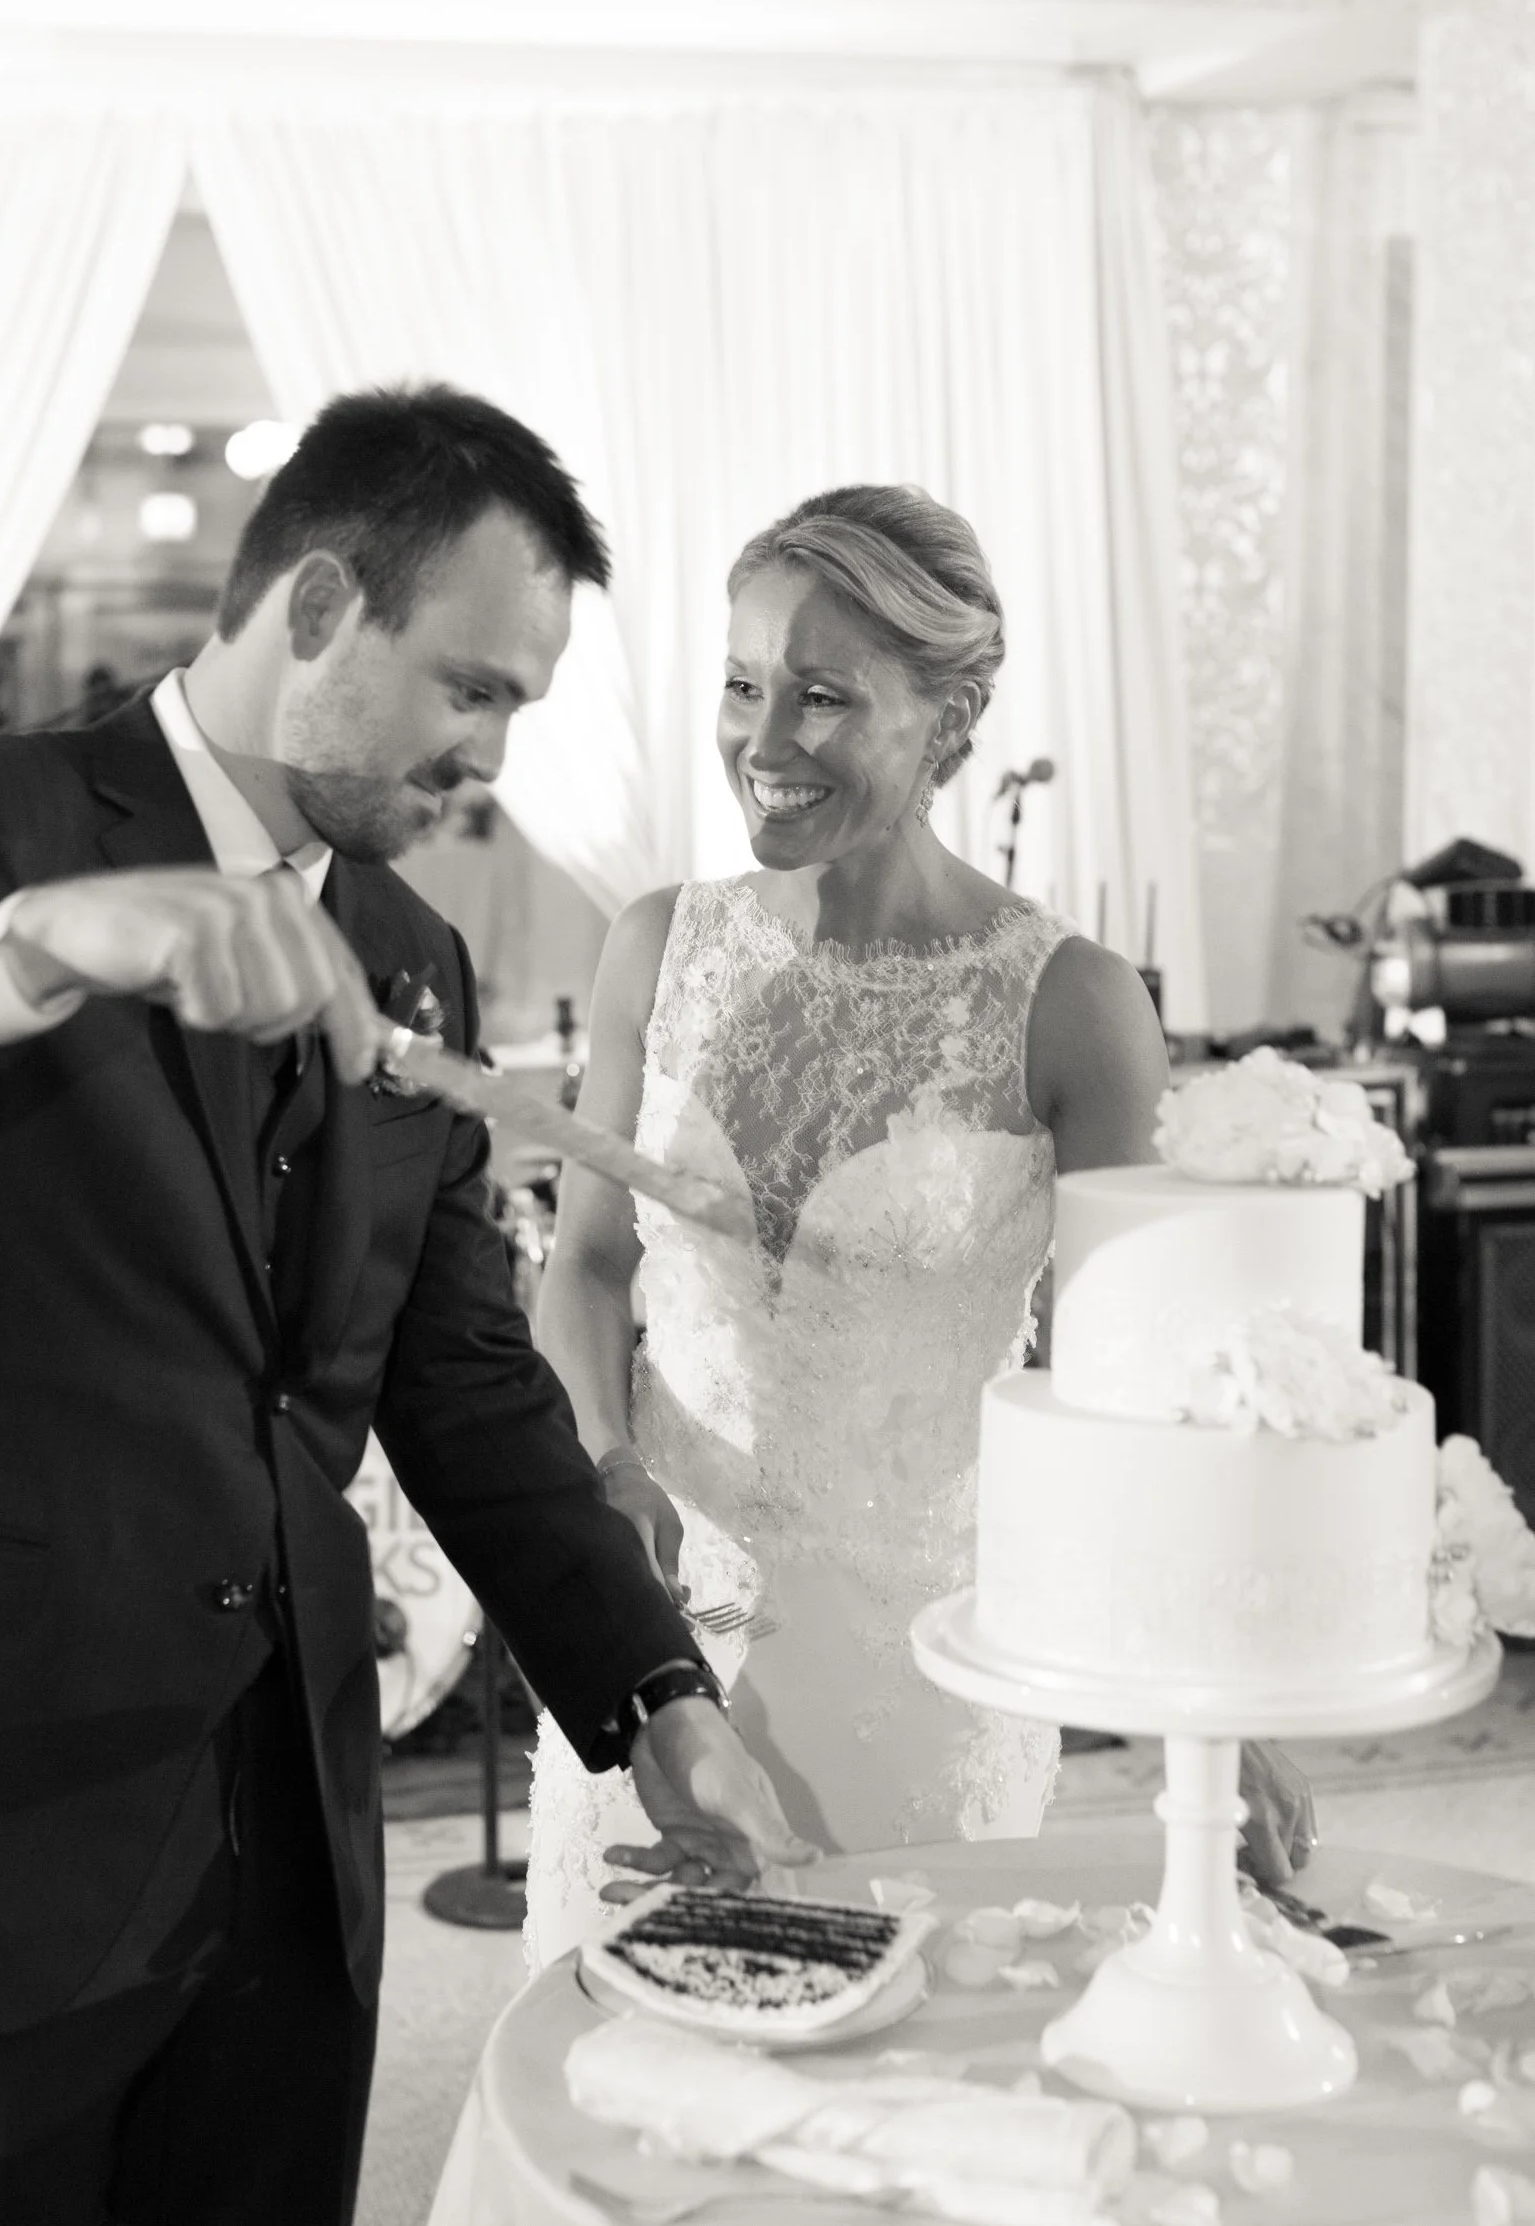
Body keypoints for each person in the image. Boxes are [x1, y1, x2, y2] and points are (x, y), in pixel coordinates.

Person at [0, 384, 810, 2226]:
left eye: (517, 706)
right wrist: (24, 952)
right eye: (472, 689)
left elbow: (453, 1372)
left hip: (288, 1843)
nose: (489, 757)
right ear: (313, 610)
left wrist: (655, 1691)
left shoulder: (409, 954)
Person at [525, 482, 1314, 1963]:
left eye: (822, 697)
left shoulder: (1071, 1003)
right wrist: (600, 1465)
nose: (764, 744)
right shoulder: (656, 947)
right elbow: (582, 1263)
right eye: (744, 686)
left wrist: (1219, 1694)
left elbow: (1127, 1388)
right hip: (655, 1648)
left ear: (948, 720)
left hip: (928, 1673)